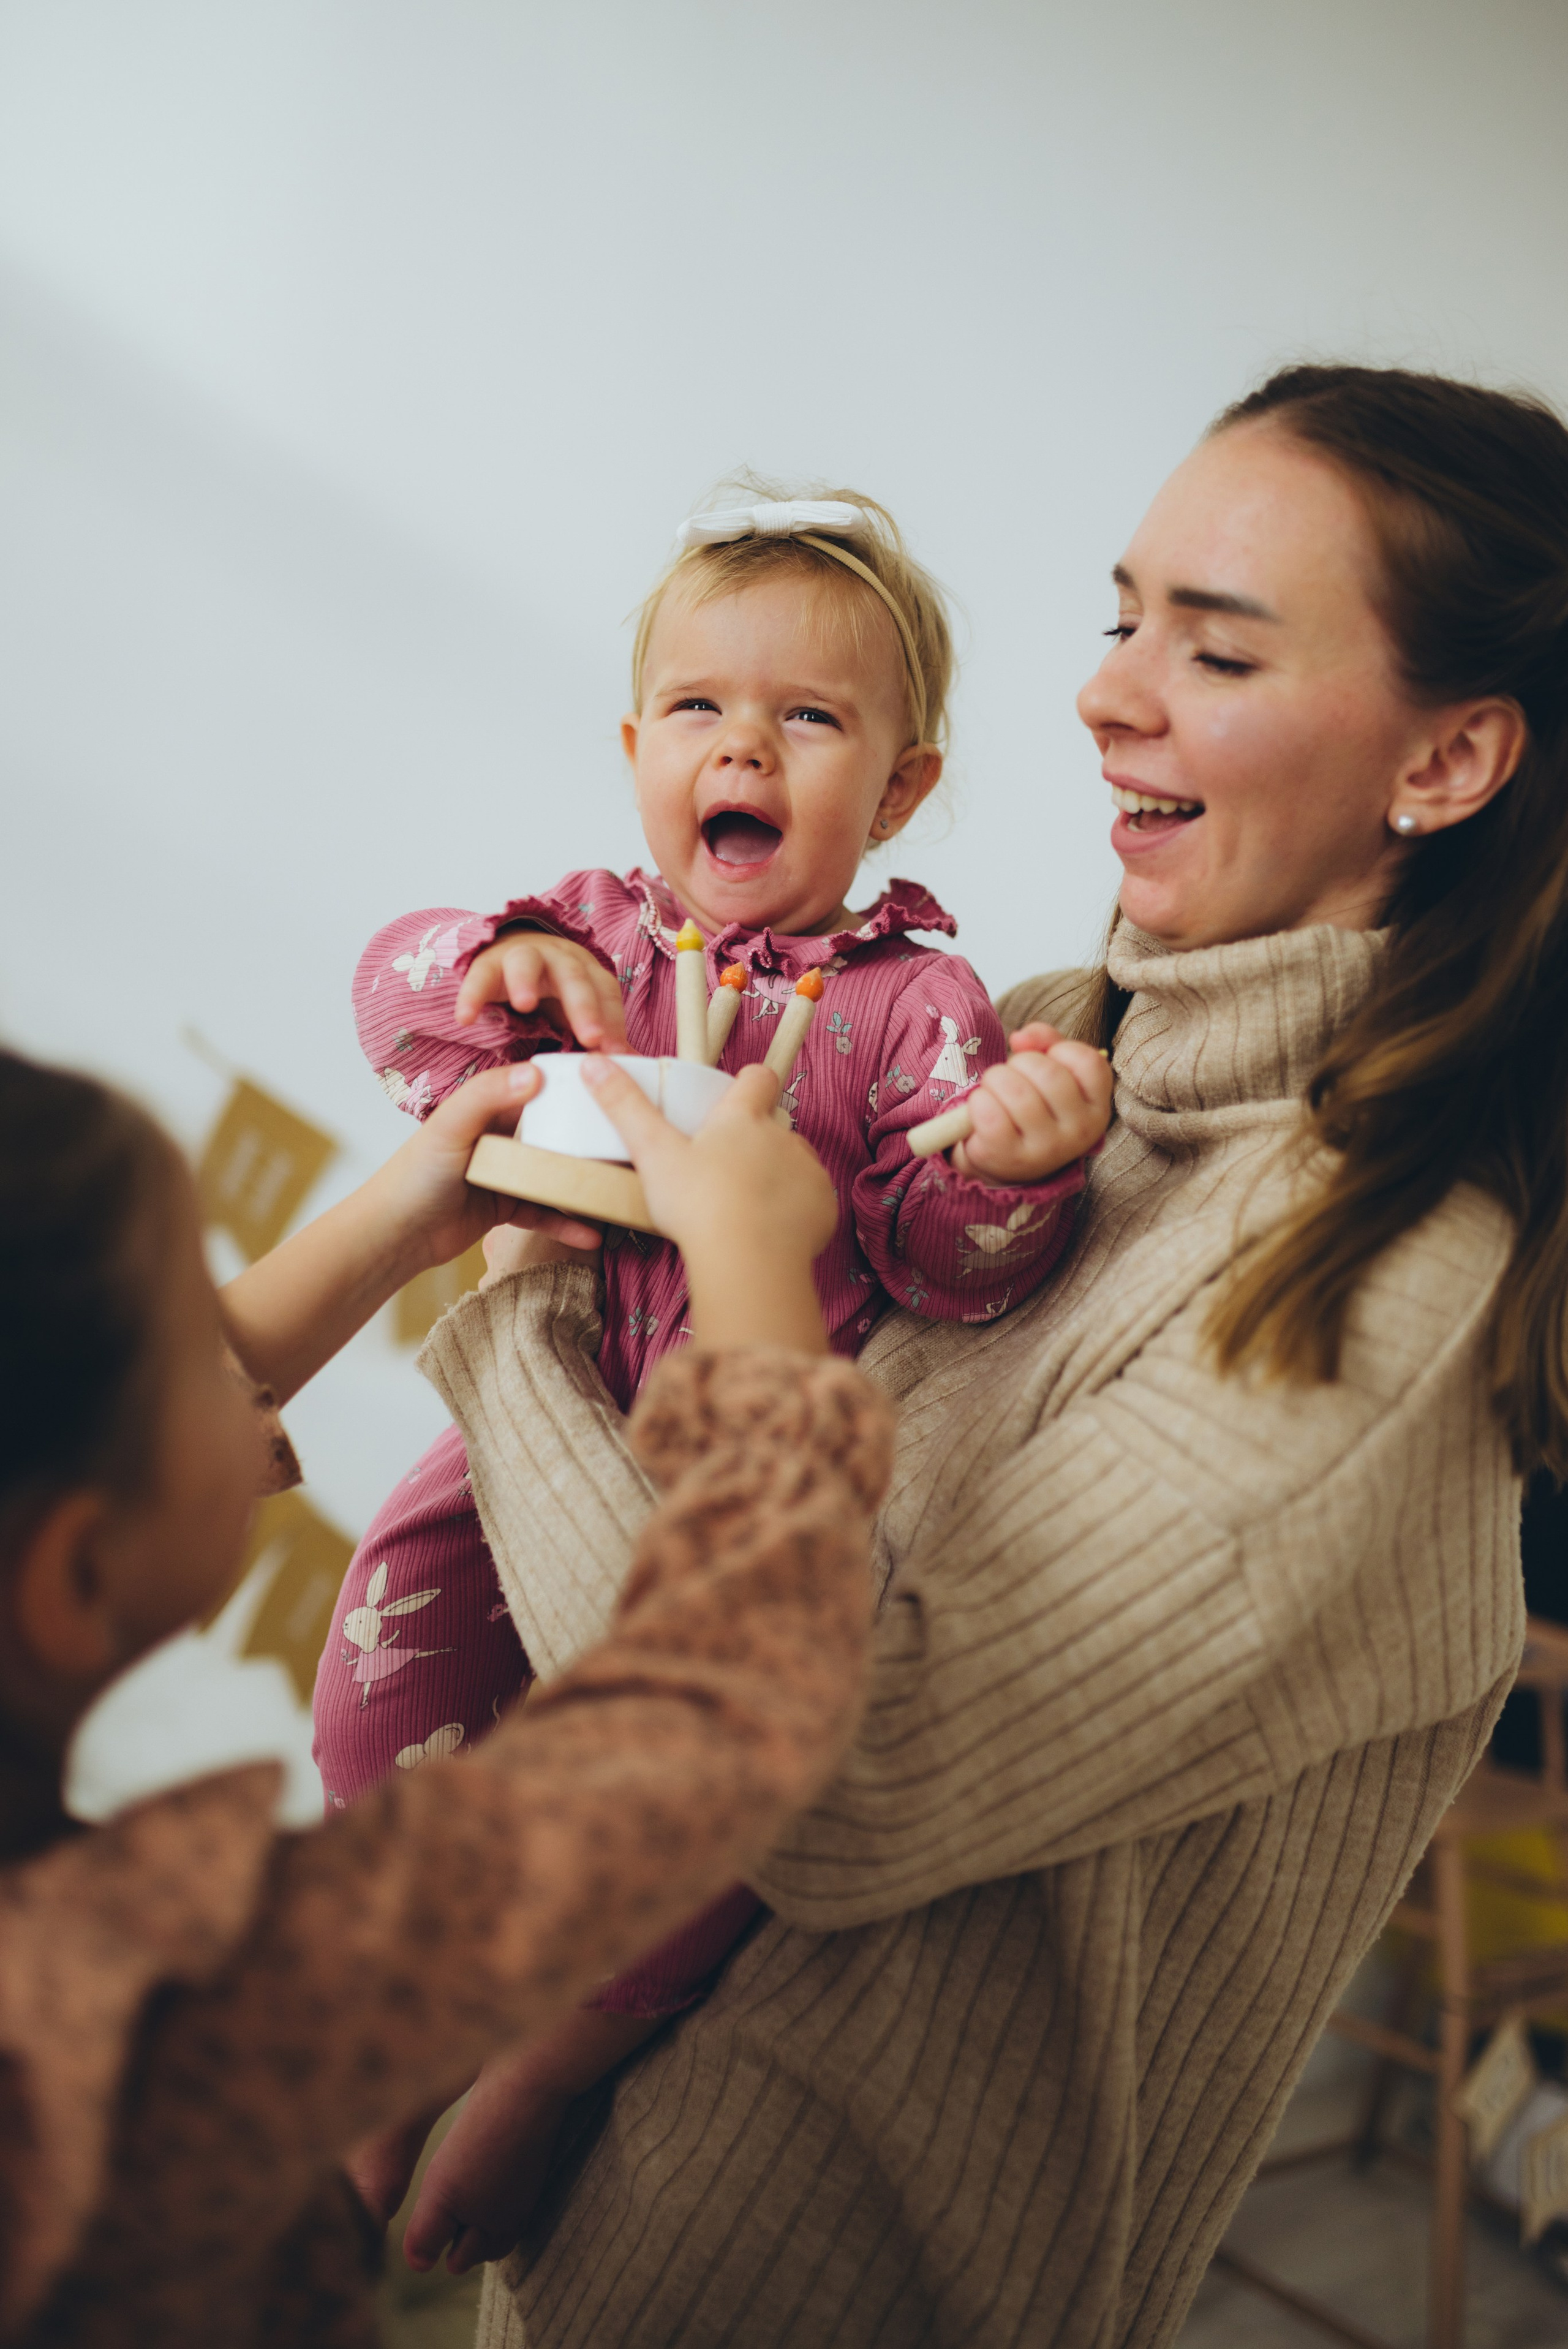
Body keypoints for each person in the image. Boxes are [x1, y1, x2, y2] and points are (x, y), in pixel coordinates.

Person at [432, 365, 1567, 2348]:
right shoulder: (1048, 1046)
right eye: (1122, 615)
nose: (1107, 692)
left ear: (1453, 757)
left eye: (1211, 648)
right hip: (602, 2227)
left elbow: (817, 1773)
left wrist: (525, 1299)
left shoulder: (1379, 1305)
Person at [315, 480, 1112, 2239]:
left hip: (740, 1455)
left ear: (897, 787)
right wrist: (494, 970)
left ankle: (553, 2063)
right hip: (549, 1409)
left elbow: (950, 1262)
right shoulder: (585, 934)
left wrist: (1010, 1164)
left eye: (809, 717)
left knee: (734, 1816)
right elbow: (395, 1010)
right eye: (700, 707)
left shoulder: (920, 1006)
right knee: (381, 1659)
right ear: (634, 745)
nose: (743, 743)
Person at [0, 1041, 890, 2347]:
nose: (245, 1369)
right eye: (193, 1331)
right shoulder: (182, 2007)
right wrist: (750, 1256)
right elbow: (728, 1684)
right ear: (77, 1575)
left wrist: (410, 1210)